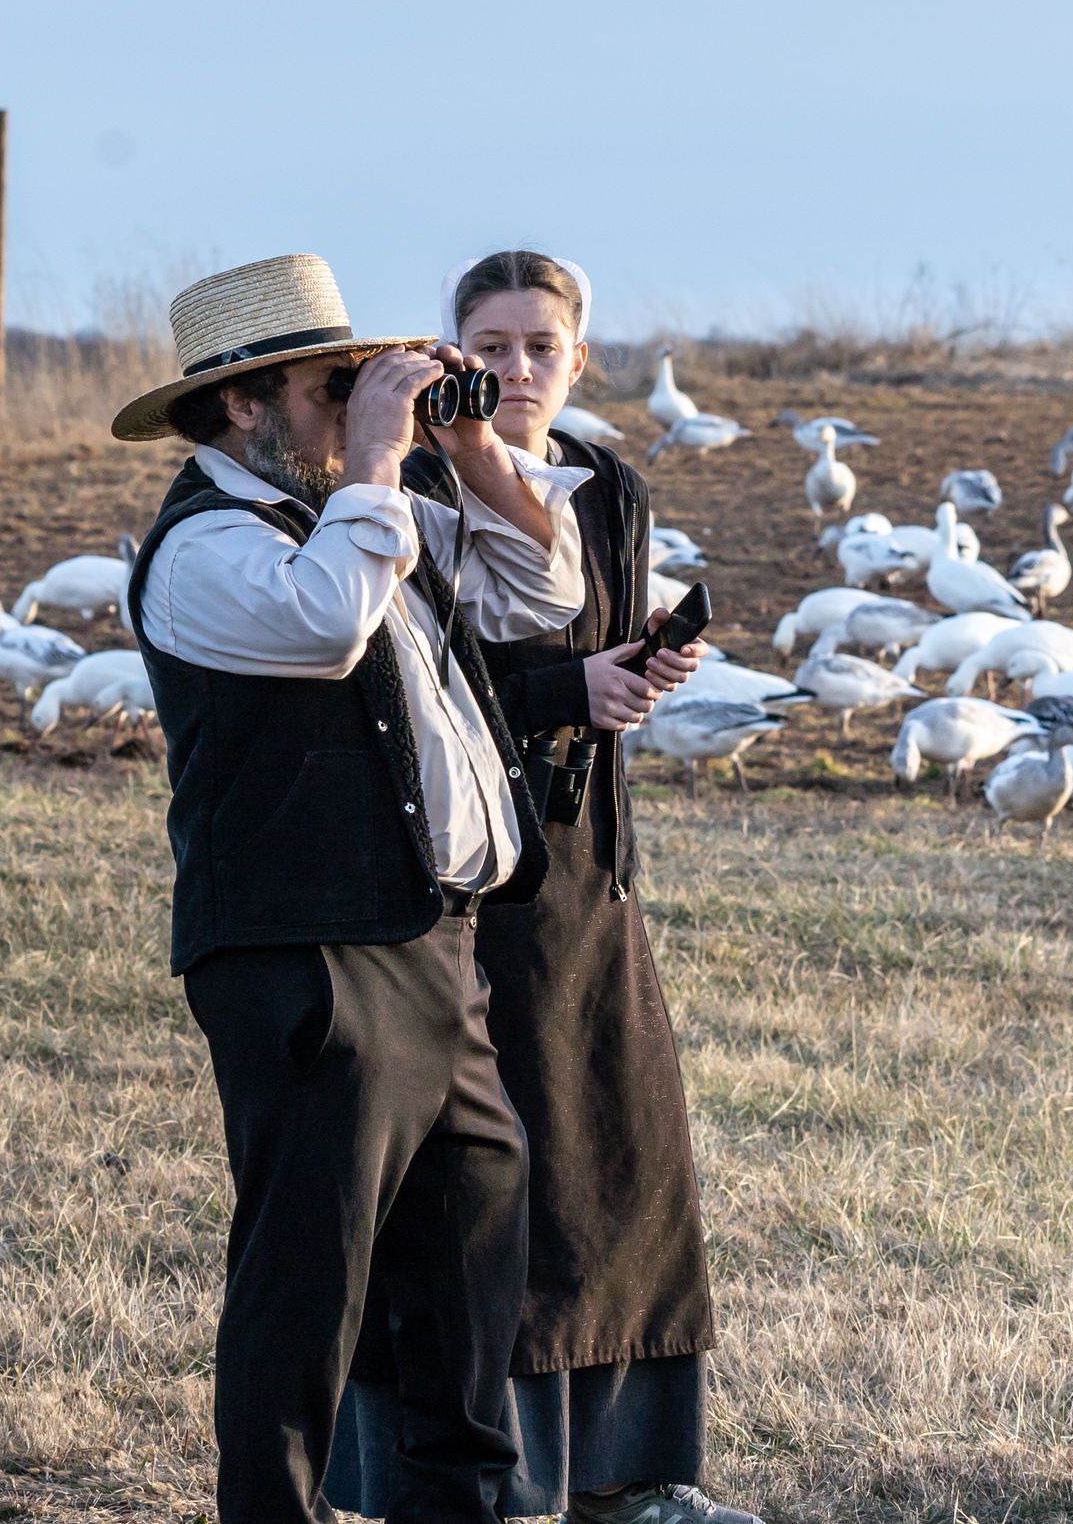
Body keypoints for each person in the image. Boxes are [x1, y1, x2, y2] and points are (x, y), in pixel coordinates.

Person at [111, 253, 591, 1524]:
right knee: (308, 1271)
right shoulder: (205, 546)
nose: (355, 411)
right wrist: (378, 457)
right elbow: (325, 626)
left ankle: (459, 1509)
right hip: (303, 948)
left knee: (470, 1252)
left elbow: (543, 589)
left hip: (434, 936)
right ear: (238, 405)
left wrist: (474, 450)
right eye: (334, 390)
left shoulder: (357, 507)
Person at [327, 252, 762, 1524]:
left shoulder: (607, 482)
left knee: (615, 1164)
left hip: (586, 872)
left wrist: (631, 675)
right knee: (477, 1187)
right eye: (489, 343)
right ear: (448, 349)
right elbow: (398, 691)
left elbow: (593, 649)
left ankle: (627, 1478)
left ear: (580, 358)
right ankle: (478, 1479)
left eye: (539, 345)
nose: (515, 368)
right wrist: (562, 694)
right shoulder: (398, 485)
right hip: (453, 877)